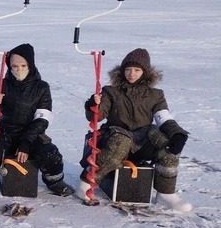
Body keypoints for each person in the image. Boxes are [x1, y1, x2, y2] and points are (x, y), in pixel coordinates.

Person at [77, 48, 191, 212]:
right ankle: (87, 182)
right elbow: (97, 116)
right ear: (122, 71)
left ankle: (166, 193)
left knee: (168, 145)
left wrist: (177, 133)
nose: (132, 73)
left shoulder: (155, 95)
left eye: (137, 70)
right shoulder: (111, 91)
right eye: (128, 69)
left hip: (143, 136)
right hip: (116, 135)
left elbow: (163, 117)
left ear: (145, 72)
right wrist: (92, 104)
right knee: (121, 141)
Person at [0, 43, 74, 196]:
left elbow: (42, 119)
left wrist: (26, 142)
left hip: (31, 133)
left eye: (23, 65)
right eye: (14, 66)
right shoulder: (3, 84)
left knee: (51, 154)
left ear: (30, 65)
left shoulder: (42, 88)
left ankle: (55, 182)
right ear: (10, 67)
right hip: (5, 131)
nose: (19, 69)